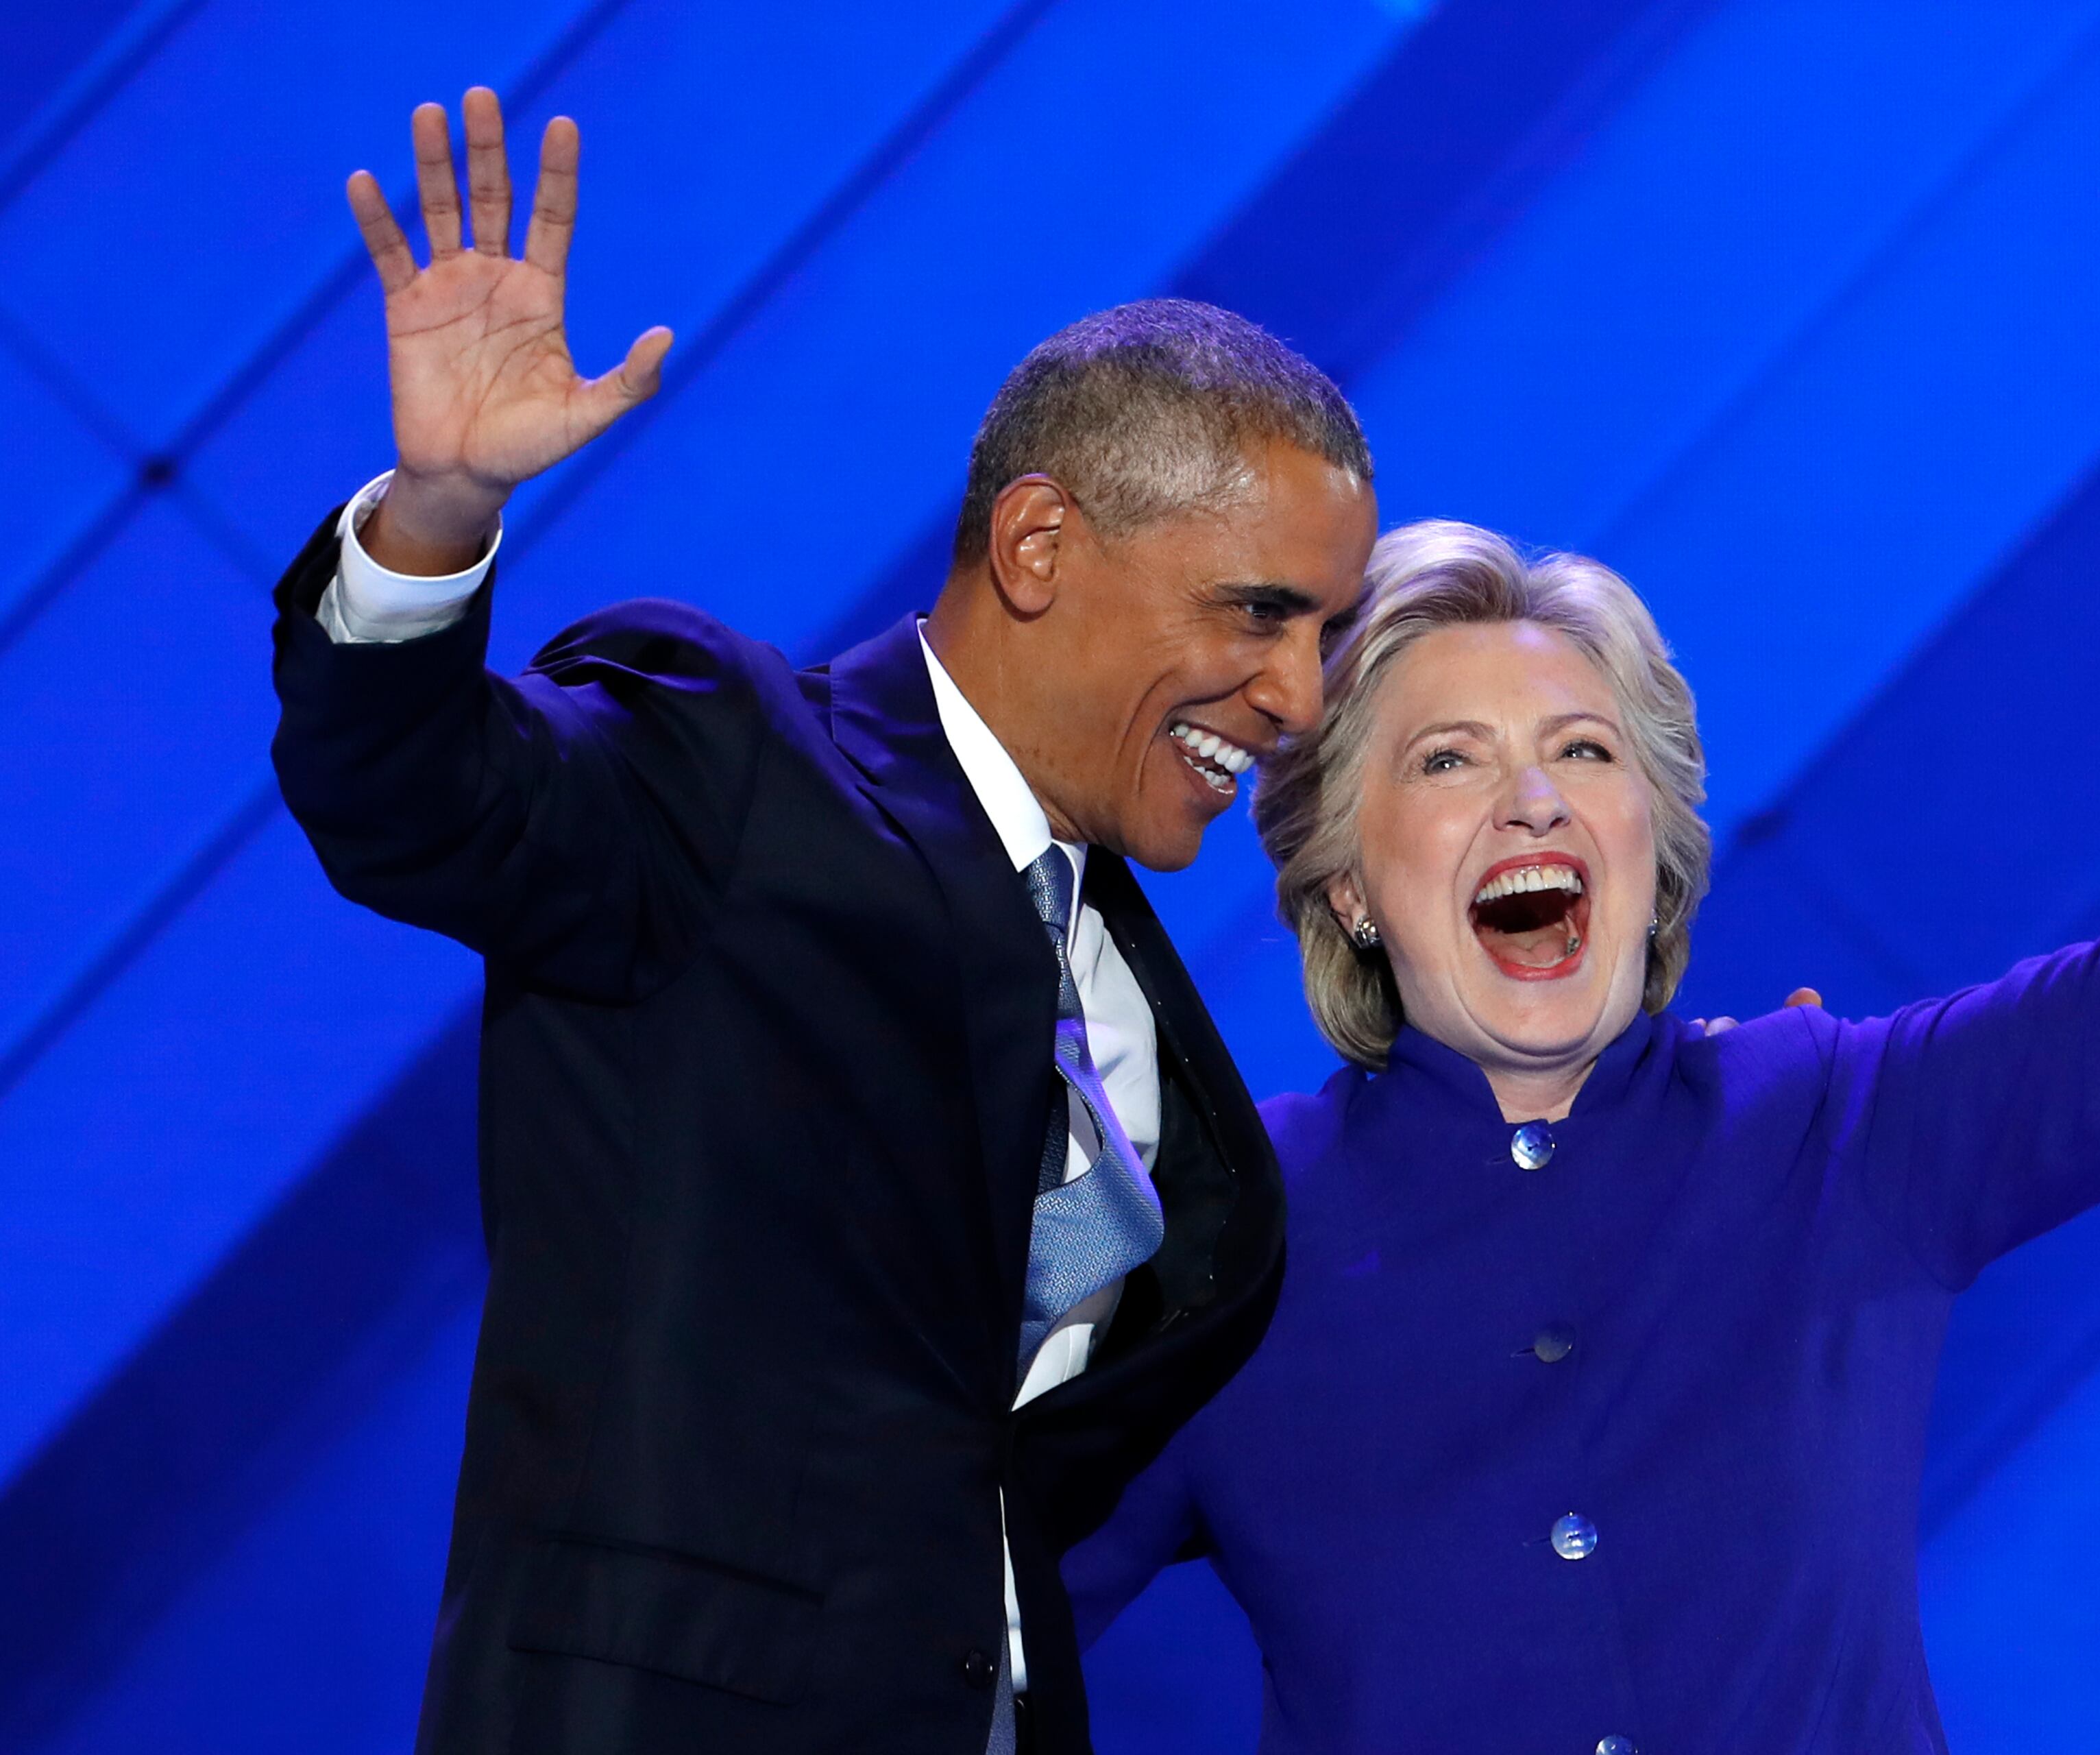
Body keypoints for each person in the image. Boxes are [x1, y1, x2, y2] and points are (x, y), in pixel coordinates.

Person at [1062, 272, 2100, 1752]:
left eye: (1582, 751)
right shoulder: (1217, 1241)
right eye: (1450, 761)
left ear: (1652, 853)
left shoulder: (1836, 1125)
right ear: (1345, 880)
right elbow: (965, 1612)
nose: (1533, 795)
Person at [267, 92, 1375, 1755]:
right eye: (1259, 614)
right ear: (1040, 543)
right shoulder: (730, 763)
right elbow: (415, 793)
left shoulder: (1129, 989)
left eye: (1326, 633)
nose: (1297, 694)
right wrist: (434, 519)